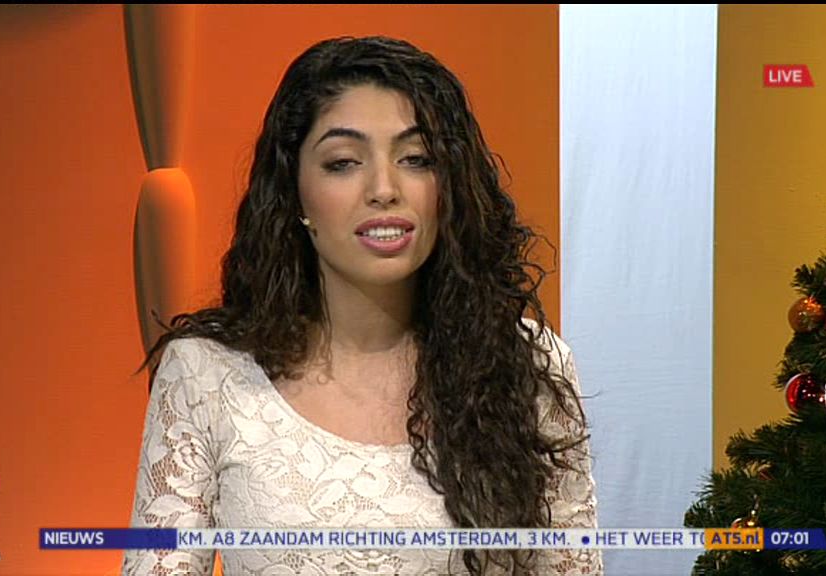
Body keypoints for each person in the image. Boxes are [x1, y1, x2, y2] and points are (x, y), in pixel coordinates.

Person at [122, 36, 601, 576]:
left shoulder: (528, 366)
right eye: (344, 162)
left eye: (416, 159)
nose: (383, 189)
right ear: (294, 193)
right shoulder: (206, 374)